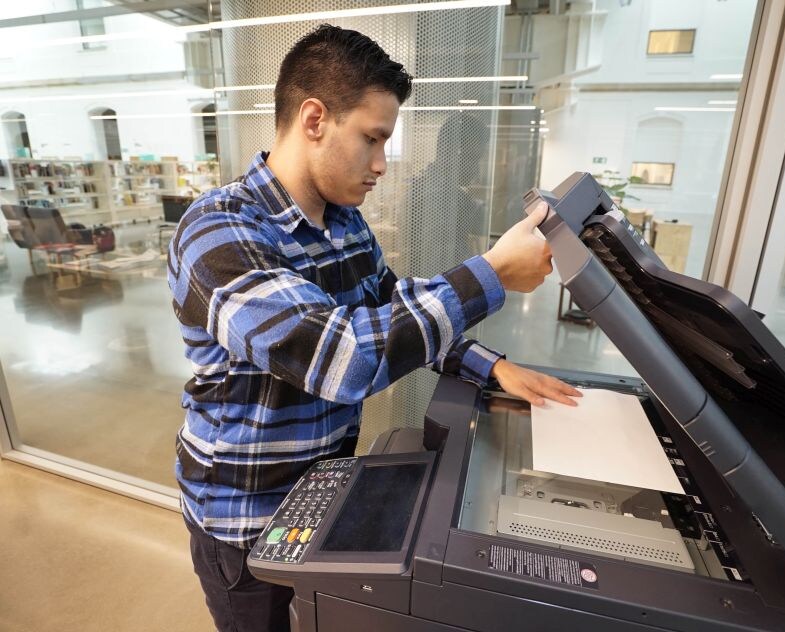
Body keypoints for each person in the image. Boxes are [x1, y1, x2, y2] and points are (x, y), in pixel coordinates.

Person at [167, 24, 581, 632]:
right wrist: (490, 274)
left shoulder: (344, 223)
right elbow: (342, 359)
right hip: (243, 522)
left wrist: (488, 366)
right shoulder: (219, 231)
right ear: (314, 119)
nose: (383, 164)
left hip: (317, 500)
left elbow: (390, 308)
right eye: (373, 138)